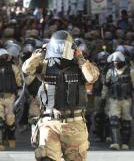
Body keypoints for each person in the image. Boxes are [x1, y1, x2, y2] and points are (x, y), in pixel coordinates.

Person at [22, 30, 99, 161]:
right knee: (46, 158)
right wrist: (40, 54)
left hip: (75, 124)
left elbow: (92, 78)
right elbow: (26, 69)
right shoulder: (46, 65)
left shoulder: (81, 65)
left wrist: (80, 58)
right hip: (50, 122)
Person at [101, 51, 134, 150]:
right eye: (114, 62)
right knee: (114, 121)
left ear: (123, 61)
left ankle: (125, 143)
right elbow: (106, 86)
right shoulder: (111, 72)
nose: (116, 63)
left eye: (117, 61)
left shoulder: (131, 71)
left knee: (126, 121)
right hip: (114, 100)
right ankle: (115, 143)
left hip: (126, 100)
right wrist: (103, 97)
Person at [0, 48, 22, 151]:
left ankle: (11, 138)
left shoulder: (13, 68)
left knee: (10, 121)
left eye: (5, 56)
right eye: (1, 57)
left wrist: (19, 100)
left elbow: (20, 85)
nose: (3, 58)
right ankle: (0, 143)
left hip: (11, 98)